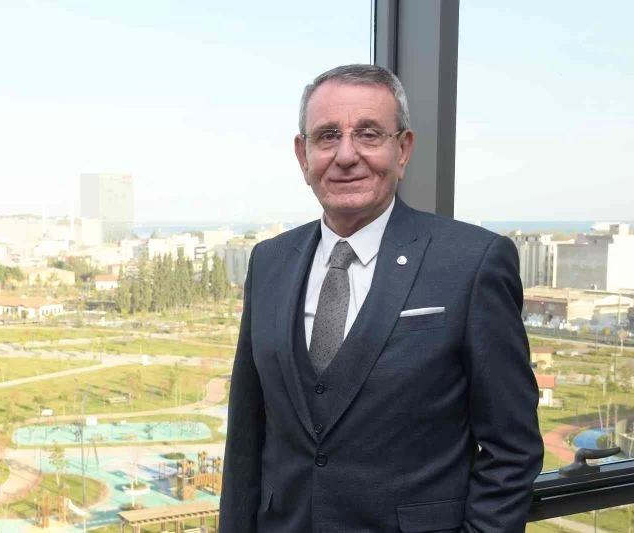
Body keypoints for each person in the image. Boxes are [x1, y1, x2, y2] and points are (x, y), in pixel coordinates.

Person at [219, 64, 543, 533]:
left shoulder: (472, 262)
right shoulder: (270, 261)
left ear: (403, 149)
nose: (346, 155)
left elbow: (512, 449)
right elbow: (245, 438)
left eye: (369, 134)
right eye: (327, 136)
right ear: (302, 155)